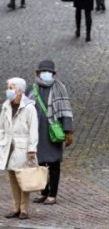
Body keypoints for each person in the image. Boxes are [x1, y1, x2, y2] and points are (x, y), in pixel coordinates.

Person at [27, 60, 74, 206]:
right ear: (37, 73)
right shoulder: (32, 88)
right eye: (44, 71)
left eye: (49, 72)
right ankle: (44, 191)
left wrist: (68, 130)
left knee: (53, 164)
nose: (46, 74)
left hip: (53, 131)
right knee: (40, 163)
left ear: (53, 74)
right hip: (36, 132)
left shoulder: (60, 88)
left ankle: (53, 194)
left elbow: (66, 110)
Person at [0, 77, 38, 220]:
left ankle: (24, 209)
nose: (8, 90)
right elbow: (1, 128)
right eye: (8, 87)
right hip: (8, 148)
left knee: (23, 178)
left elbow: (33, 129)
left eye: (11, 88)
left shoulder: (29, 108)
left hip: (22, 148)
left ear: (20, 90)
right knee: (12, 179)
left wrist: (32, 148)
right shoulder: (6, 106)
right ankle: (15, 207)